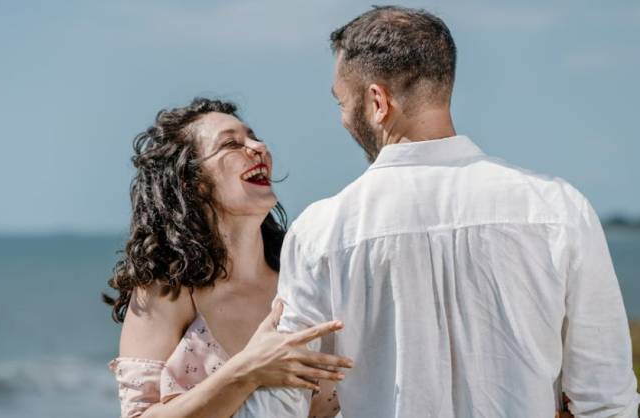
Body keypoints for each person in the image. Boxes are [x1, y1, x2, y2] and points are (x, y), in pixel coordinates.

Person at [250, 5, 640, 417]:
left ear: (378, 102)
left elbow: (282, 405)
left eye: (341, 103)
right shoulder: (558, 208)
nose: (344, 118)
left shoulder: (322, 231)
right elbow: (607, 400)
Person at [102, 98, 353, 418]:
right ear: (191, 183)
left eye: (254, 138)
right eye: (232, 144)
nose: (259, 147)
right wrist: (246, 371)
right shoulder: (168, 292)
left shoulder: (305, 277)